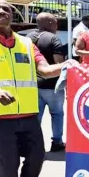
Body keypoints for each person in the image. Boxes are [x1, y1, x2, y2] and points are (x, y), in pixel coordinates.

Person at [0, 0, 78, 177]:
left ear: (12, 14)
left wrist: (67, 65)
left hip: (29, 117)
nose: (1, 12)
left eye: (6, 9)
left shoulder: (26, 43)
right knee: (9, 166)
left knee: (36, 160)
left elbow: (44, 70)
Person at [26, 12, 66, 152]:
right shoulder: (54, 38)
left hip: (32, 85)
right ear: (50, 23)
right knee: (57, 114)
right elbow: (58, 62)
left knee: (36, 116)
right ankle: (57, 142)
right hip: (52, 85)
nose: (57, 25)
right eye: (55, 22)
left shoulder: (27, 38)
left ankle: (32, 144)